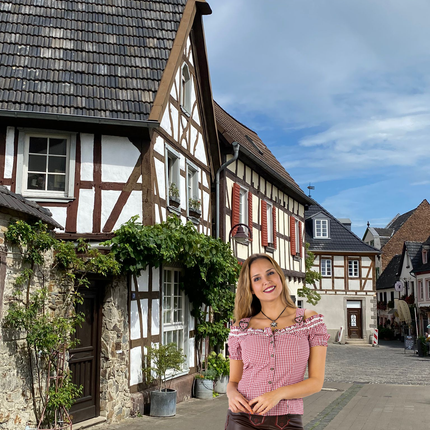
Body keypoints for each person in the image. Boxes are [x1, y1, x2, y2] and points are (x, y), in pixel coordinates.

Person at [225, 253, 329, 430]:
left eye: (270, 273)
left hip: (288, 420)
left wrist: (278, 394)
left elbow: (316, 382)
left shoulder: (309, 322)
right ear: (250, 288)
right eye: (257, 278)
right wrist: (231, 393)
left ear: (280, 276)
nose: (266, 281)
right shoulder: (241, 328)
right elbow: (234, 381)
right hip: (242, 418)